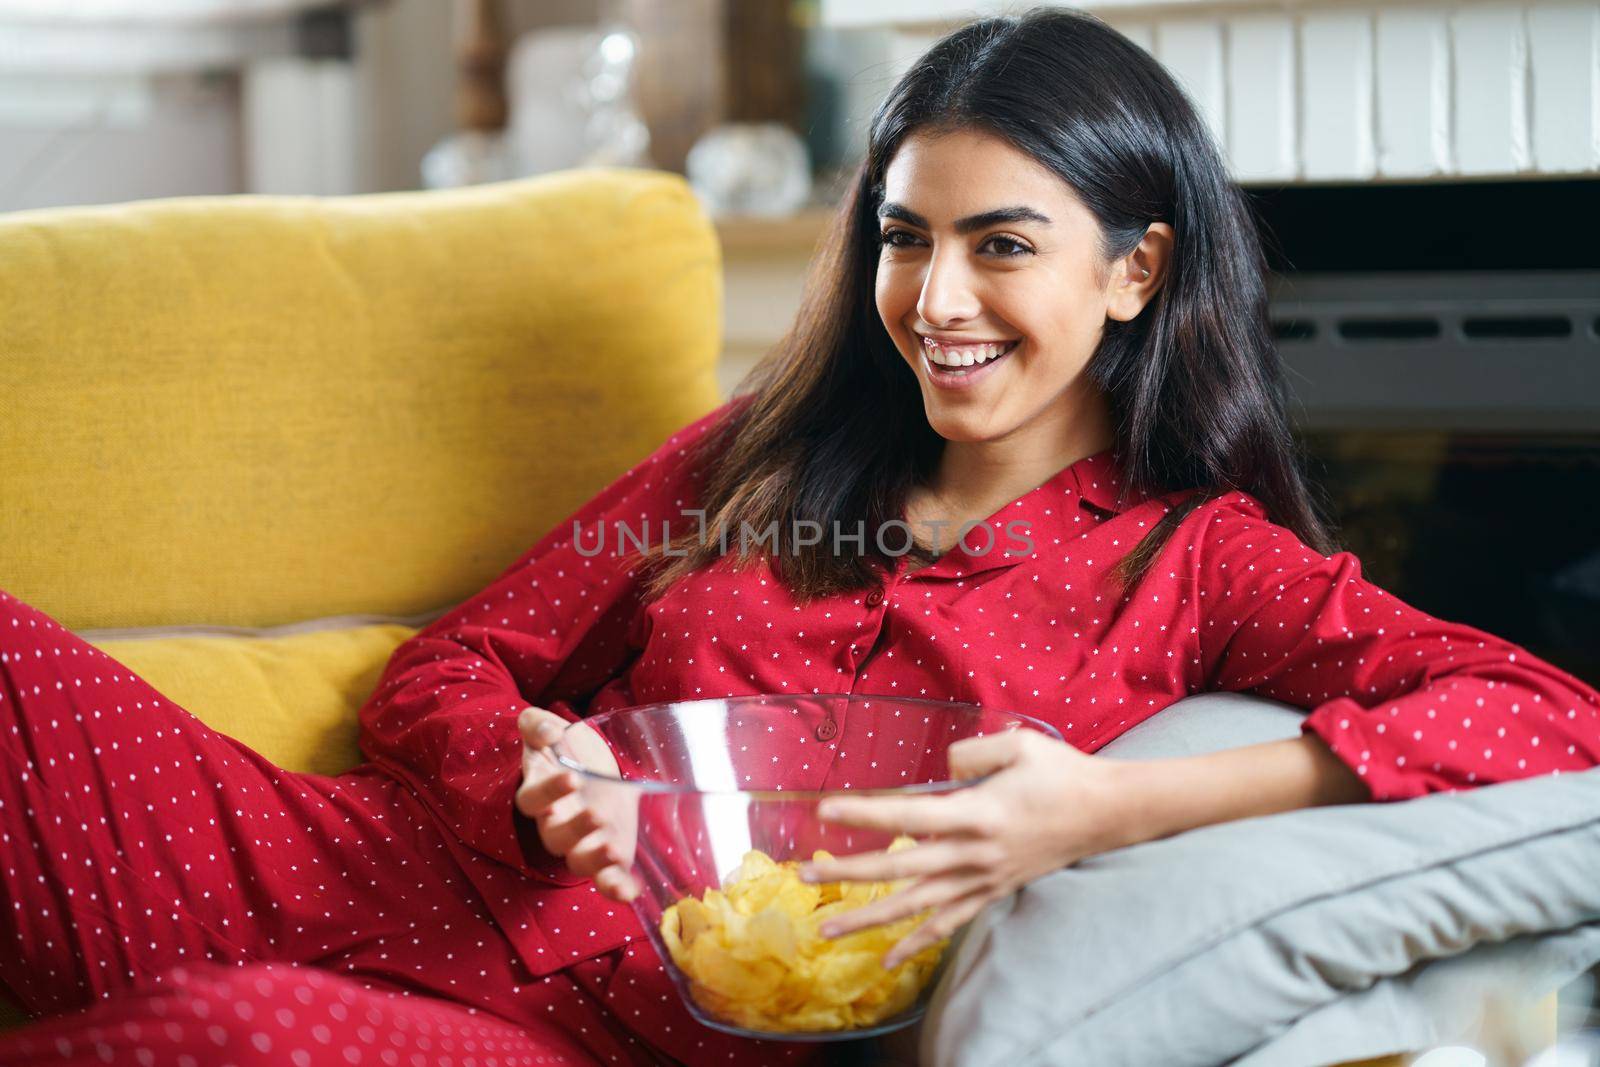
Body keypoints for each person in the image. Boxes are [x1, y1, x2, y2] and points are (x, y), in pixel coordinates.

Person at [2, 8, 1596, 1066]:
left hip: (611, 1038)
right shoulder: (754, 456)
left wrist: (1109, 806)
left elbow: (1550, 717)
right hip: (361, 866)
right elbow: (454, 667)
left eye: (1003, 244)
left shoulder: (1201, 565)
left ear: (1133, 271)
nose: (938, 298)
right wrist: (535, 775)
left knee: (231, 1034)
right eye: (906, 237)